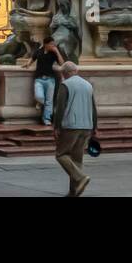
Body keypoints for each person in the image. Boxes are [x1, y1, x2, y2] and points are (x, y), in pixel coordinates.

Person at [52, 61, 97, 197]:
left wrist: (56, 126)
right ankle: (73, 191)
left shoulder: (65, 85)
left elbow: (60, 107)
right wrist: (95, 126)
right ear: (75, 71)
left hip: (71, 125)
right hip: (87, 126)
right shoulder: (88, 85)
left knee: (61, 154)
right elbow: (93, 108)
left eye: (62, 73)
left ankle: (80, 177)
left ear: (65, 73)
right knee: (77, 159)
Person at [25, 37, 63, 125]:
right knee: (39, 96)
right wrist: (28, 63)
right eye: (51, 44)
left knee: (49, 101)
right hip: (39, 78)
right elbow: (32, 58)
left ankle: (47, 119)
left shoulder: (54, 53)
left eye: (54, 44)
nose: (53, 46)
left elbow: (62, 63)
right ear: (46, 44)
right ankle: (39, 102)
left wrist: (57, 52)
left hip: (50, 79)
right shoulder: (39, 51)